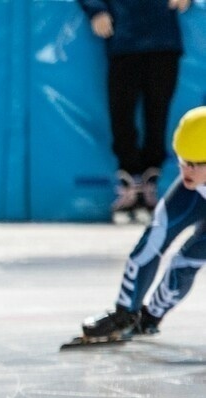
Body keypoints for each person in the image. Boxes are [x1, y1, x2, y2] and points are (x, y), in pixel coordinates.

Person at [78, 106, 206, 341]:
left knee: (185, 262)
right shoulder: (193, 176)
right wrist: (125, 311)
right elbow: (150, 248)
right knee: (151, 241)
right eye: (182, 161)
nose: (185, 170)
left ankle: (151, 317)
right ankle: (125, 314)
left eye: (194, 164)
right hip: (197, 196)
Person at [77, 0, 190, 224]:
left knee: (157, 114)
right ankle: (129, 182)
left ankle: (149, 185)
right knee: (122, 114)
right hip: (124, 40)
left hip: (163, 40)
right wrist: (96, 10)